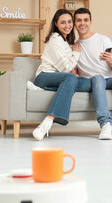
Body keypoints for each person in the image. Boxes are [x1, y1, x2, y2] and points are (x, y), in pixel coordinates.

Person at [72, 8, 112, 140]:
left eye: (86, 20)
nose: (83, 23)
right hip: (92, 81)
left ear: (90, 22)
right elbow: (73, 68)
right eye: (79, 20)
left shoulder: (103, 40)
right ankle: (105, 124)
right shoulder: (74, 47)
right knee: (98, 77)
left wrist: (110, 61)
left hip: (109, 80)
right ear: (75, 23)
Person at [32, 9, 90, 141]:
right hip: (44, 77)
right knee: (70, 78)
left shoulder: (65, 42)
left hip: (58, 80)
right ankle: (47, 122)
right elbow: (66, 68)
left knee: (87, 83)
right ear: (56, 24)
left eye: (70, 22)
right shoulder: (55, 39)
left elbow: (68, 68)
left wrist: (72, 74)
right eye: (63, 22)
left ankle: (48, 90)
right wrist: (76, 53)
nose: (67, 25)